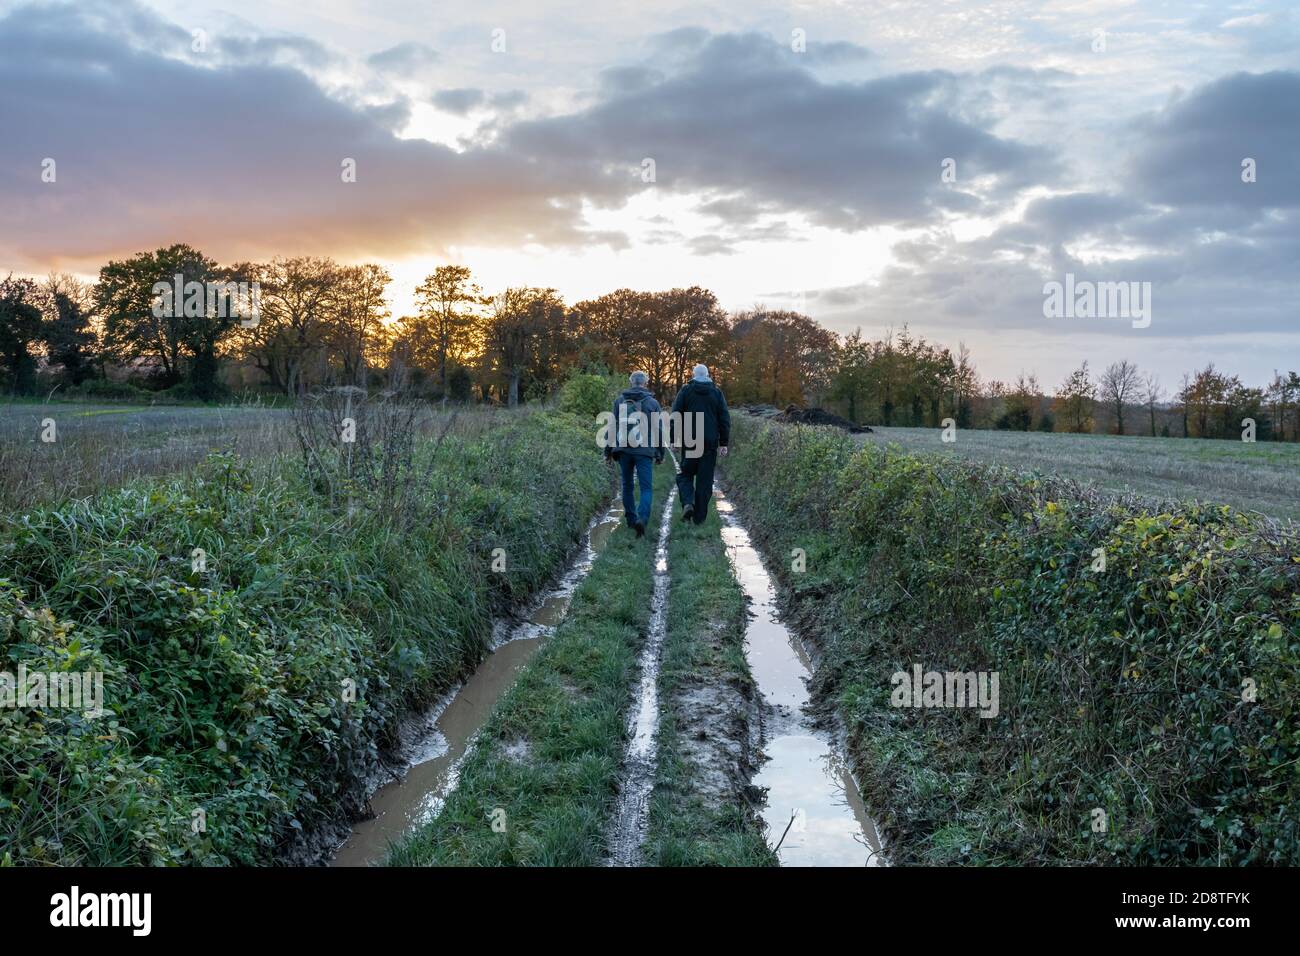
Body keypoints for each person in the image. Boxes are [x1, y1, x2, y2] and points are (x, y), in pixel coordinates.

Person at [671, 363, 730, 525]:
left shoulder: (686, 391)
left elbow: (676, 415)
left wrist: (675, 440)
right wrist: (723, 442)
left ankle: (688, 503)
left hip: (690, 440)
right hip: (709, 442)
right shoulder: (716, 393)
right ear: (708, 375)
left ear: (693, 375)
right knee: (705, 481)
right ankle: (699, 520)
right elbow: (724, 418)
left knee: (685, 475)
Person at [607, 370, 663, 538]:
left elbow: (612, 426)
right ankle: (643, 519)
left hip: (624, 449)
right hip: (644, 450)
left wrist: (607, 451)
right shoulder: (653, 403)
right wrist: (659, 453)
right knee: (646, 487)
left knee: (627, 486)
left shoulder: (619, 401)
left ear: (631, 382)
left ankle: (631, 520)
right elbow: (658, 430)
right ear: (645, 383)